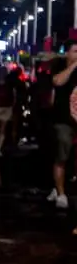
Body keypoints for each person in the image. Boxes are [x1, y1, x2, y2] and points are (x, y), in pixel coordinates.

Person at [48, 43, 77, 208]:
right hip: (63, 120)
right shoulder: (59, 66)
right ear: (67, 53)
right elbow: (57, 82)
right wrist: (73, 65)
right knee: (62, 153)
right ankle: (60, 192)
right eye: (75, 51)